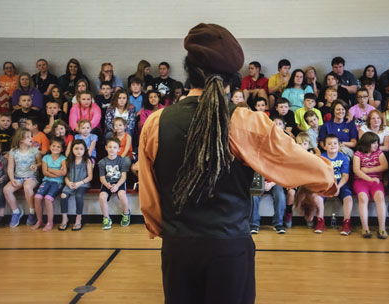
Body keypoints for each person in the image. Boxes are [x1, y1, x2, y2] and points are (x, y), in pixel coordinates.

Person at [138, 23, 337, 304]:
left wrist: (174, 234)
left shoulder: (156, 123)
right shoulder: (246, 122)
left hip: (178, 249)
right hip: (229, 250)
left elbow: (149, 201)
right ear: (233, 78)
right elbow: (316, 171)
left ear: (188, 69)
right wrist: (314, 186)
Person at [3, 128, 41, 228]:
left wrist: (37, 166)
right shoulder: (13, 151)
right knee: (6, 189)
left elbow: (40, 163)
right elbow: (10, 167)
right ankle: (16, 212)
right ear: (21, 140)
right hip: (18, 177)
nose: (31, 138)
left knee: (27, 187)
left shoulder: (34, 150)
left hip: (31, 177)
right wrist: (12, 179)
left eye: (31, 136)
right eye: (28, 137)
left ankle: (32, 212)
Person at [353, 132, 388, 239]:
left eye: (377, 142)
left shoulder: (379, 152)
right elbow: (357, 171)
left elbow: (385, 166)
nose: (376, 145)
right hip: (361, 181)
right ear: (366, 143)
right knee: (363, 198)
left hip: (376, 181)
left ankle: (382, 228)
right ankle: (365, 228)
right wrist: (369, 178)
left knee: (380, 197)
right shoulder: (358, 154)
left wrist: (368, 170)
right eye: (373, 143)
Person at [32, 138, 66, 231]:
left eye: (58, 147)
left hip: (58, 182)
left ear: (62, 149)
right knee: (37, 197)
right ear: (50, 147)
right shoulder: (45, 158)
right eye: (53, 146)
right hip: (46, 181)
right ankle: (39, 221)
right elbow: (44, 172)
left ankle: (50, 222)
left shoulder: (63, 159)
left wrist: (50, 170)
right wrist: (56, 172)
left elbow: (63, 173)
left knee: (48, 198)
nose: (55, 148)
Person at [321, 134, 353, 235]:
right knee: (317, 197)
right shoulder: (322, 158)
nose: (332, 145)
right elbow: (321, 175)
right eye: (329, 144)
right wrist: (330, 186)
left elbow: (345, 176)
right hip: (326, 183)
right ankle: (320, 221)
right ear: (324, 146)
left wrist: (337, 187)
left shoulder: (343, 158)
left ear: (339, 145)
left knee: (348, 198)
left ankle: (346, 223)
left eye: (335, 143)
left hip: (341, 184)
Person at [59, 139, 93, 231]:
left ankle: (78, 219)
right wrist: (68, 183)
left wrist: (79, 183)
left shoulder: (87, 161)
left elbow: (90, 177)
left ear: (84, 150)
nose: (78, 151)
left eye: (81, 149)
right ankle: (64, 219)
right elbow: (66, 176)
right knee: (63, 195)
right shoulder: (68, 161)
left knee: (78, 196)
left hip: (82, 184)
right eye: (76, 148)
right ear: (72, 150)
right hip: (71, 183)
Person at [99, 137, 130, 230]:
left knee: (122, 195)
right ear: (106, 148)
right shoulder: (102, 162)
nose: (112, 149)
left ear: (119, 149)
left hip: (118, 183)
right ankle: (106, 218)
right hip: (107, 183)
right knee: (102, 197)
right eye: (110, 147)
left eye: (114, 147)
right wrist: (107, 185)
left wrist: (117, 186)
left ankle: (126, 213)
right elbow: (102, 178)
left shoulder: (122, 160)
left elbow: (123, 176)